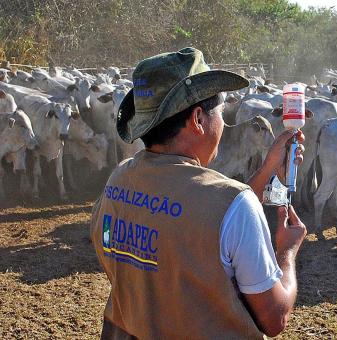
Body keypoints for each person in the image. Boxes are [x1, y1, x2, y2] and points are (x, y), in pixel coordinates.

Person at [90, 47, 307, 339]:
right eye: (220, 111)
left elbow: (207, 216)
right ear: (198, 119)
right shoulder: (234, 205)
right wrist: (287, 252)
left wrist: (269, 167)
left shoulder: (118, 180)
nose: (223, 122)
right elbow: (275, 317)